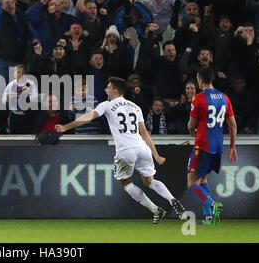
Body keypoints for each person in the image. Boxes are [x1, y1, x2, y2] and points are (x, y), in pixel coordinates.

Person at [55, 77, 186, 224]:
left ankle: (156, 209)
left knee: (125, 183)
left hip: (126, 150)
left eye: (108, 87)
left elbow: (87, 118)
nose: (105, 90)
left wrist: (65, 127)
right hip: (142, 148)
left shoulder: (107, 105)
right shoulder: (135, 106)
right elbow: (145, 133)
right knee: (150, 181)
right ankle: (172, 199)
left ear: (115, 91)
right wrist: (156, 154)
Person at [187, 67, 237, 225]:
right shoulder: (224, 97)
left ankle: (212, 204)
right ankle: (208, 218)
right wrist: (232, 147)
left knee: (191, 182)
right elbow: (233, 125)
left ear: (200, 80)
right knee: (203, 180)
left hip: (202, 145)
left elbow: (191, 124)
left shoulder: (198, 98)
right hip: (218, 146)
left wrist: (191, 128)